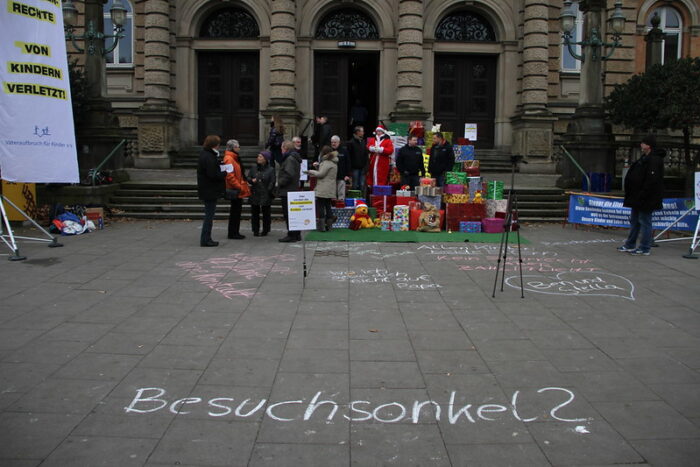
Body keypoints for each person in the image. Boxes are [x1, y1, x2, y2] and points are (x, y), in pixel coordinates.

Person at [618, 133, 665, 256]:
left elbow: (652, 180)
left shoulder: (654, 159)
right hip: (636, 196)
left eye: (643, 143)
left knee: (645, 221)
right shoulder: (644, 157)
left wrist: (643, 193)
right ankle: (630, 244)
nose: (641, 145)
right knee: (635, 221)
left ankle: (645, 247)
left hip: (646, 197)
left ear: (648, 145)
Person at [196, 135, 226, 247]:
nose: (219, 146)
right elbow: (212, 174)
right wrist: (224, 173)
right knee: (209, 216)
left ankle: (207, 238)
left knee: (209, 215)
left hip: (207, 189)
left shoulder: (206, 154)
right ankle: (205, 239)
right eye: (218, 143)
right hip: (209, 190)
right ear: (215, 145)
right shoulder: (209, 156)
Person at [222, 139, 250, 240]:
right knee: (235, 211)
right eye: (238, 146)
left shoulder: (234, 157)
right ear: (233, 148)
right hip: (235, 189)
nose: (239, 148)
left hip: (237, 188)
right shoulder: (229, 158)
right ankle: (233, 233)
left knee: (236, 211)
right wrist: (239, 186)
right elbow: (229, 176)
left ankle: (235, 232)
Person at [307, 145, 338, 232]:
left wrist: (311, 171)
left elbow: (321, 174)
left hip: (323, 187)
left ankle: (322, 227)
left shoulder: (326, 162)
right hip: (330, 187)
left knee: (321, 206)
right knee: (328, 206)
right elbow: (326, 172)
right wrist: (318, 167)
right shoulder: (333, 162)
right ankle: (329, 226)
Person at [277, 140, 303, 242]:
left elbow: (289, 174)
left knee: (289, 214)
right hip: (291, 189)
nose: (281, 150)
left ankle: (292, 235)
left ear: (285, 148)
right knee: (293, 214)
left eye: (281, 148)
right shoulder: (293, 157)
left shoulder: (289, 159)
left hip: (287, 190)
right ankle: (296, 234)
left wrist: (280, 182)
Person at [247, 150, 275, 237]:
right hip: (255, 192)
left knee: (266, 213)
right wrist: (252, 180)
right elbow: (248, 177)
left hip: (265, 193)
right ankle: (255, 230)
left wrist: (269, 190)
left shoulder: (271, 169)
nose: (258, 158)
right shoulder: (253, 167)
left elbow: (272, 181)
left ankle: (265, 230)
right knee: (254, 213)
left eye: (260, 157)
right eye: (258, 156)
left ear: (266, 159)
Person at [346, 125, 368, 192]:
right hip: (354, 168)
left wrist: (366, 166)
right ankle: (355, 200)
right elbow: (348, 157)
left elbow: (365, 155)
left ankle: (362, 200)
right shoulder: (351, 143)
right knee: (354, 185)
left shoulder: (363, 142)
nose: (363, 133)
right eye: (362, 131)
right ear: (358, 132)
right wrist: (349, 169)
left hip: (363, 167)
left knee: (362, 185)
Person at [330, 135, 351, 201]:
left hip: (342, 176)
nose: (333, 144)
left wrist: (347, 175)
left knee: (341, 195)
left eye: (335, 142)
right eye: (332, 142)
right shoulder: (329, 151)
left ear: (339, 142)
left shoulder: (344, 151)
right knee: (332, 195)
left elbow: (348, 163)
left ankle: (340, 206)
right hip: (331, 176)